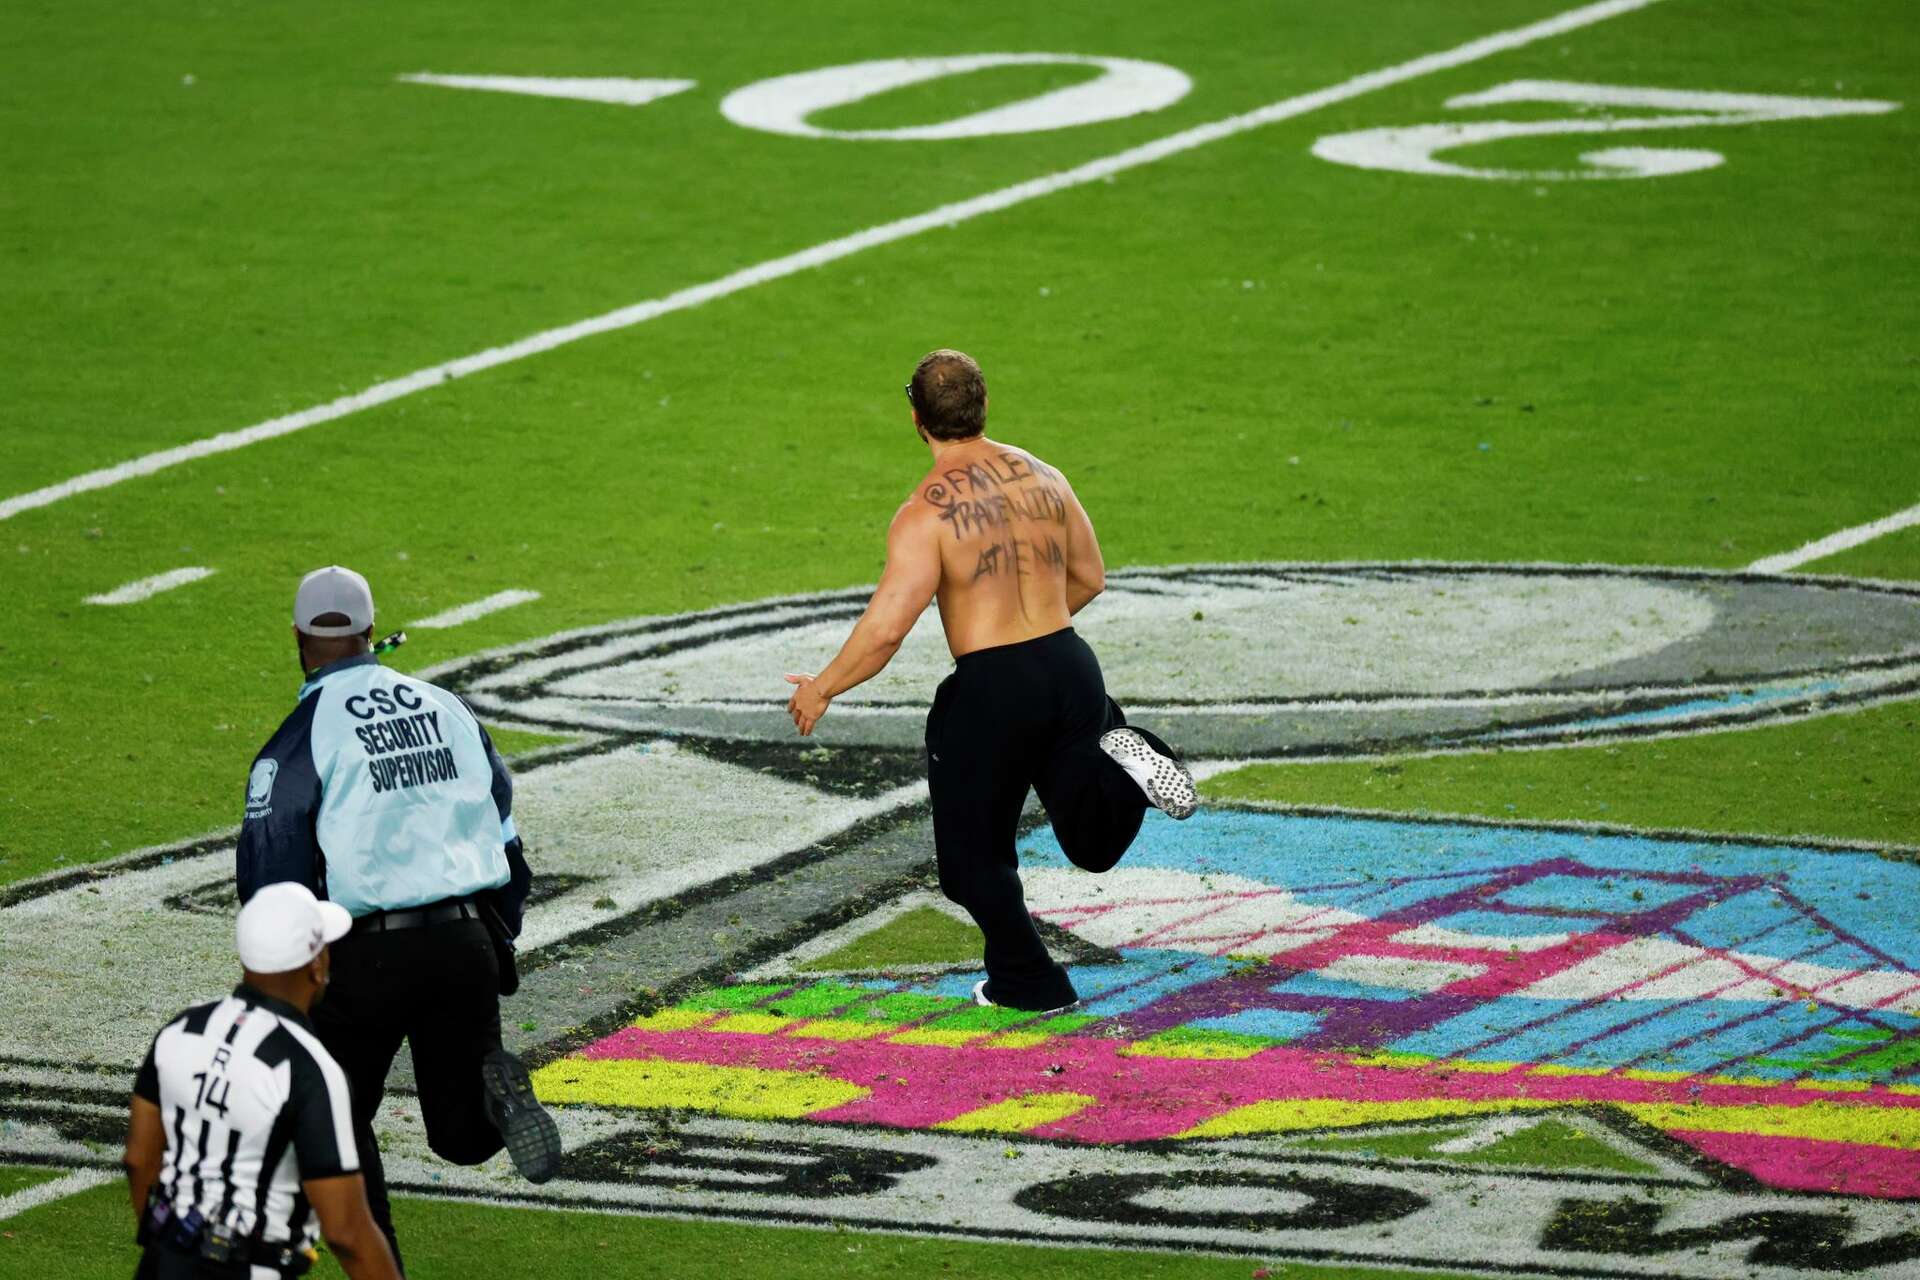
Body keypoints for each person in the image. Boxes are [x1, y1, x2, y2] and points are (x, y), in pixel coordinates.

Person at [785, 349, 1197, 1011]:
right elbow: (1090, 578)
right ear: (982, 408)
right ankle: (1134, 755)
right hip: (1071, 667)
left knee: (972, 861)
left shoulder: (924, 512)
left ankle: (1028, 981)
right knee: (1091, 840)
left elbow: (887, 627)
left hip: (992, 689)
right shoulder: (1046, 477)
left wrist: (823, 687)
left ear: (916, 418)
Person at [235, 565, 560, 1271]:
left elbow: (271, 878)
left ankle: (384, 1269)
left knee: (331, 1123)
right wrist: (495, 936)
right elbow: (505, 830)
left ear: (298, 638)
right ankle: (496, 1098)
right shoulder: (447, 707)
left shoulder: (297, 740)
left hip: (368, 957)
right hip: (466, 938)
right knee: (460, 1134)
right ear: (369, 632)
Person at [124, 881, 402, 1279]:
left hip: (163, 1261)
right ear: (316, 965)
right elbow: (346, 1232)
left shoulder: (182, 1029)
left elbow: (138, 1158)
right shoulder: (309, 1069)